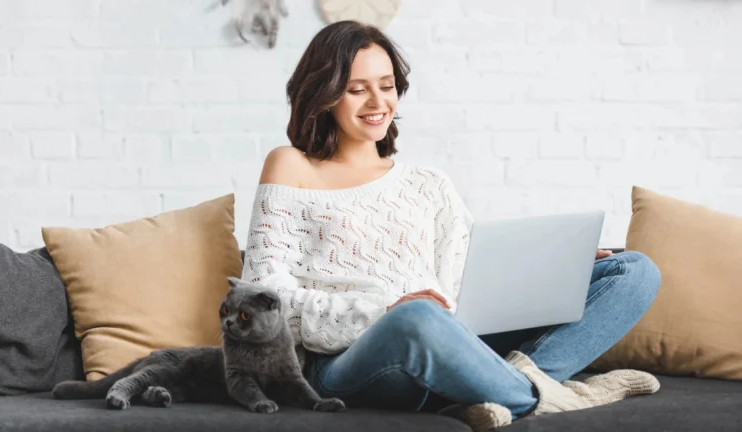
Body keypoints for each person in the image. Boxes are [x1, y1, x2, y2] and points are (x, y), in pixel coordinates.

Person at [241, 20, 662, 431]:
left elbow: (468, 279)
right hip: (349, 362)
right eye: (357, 89)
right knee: (418, 318)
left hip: (454, 342)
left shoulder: (428, 183)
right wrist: (383, 313)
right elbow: (261, 301)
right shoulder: (291, 165)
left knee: (634, 270)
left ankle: (496, 392)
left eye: (387, 86)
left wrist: (556, 267)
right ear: (325, 95)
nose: (377, 102)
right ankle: (559, 397)